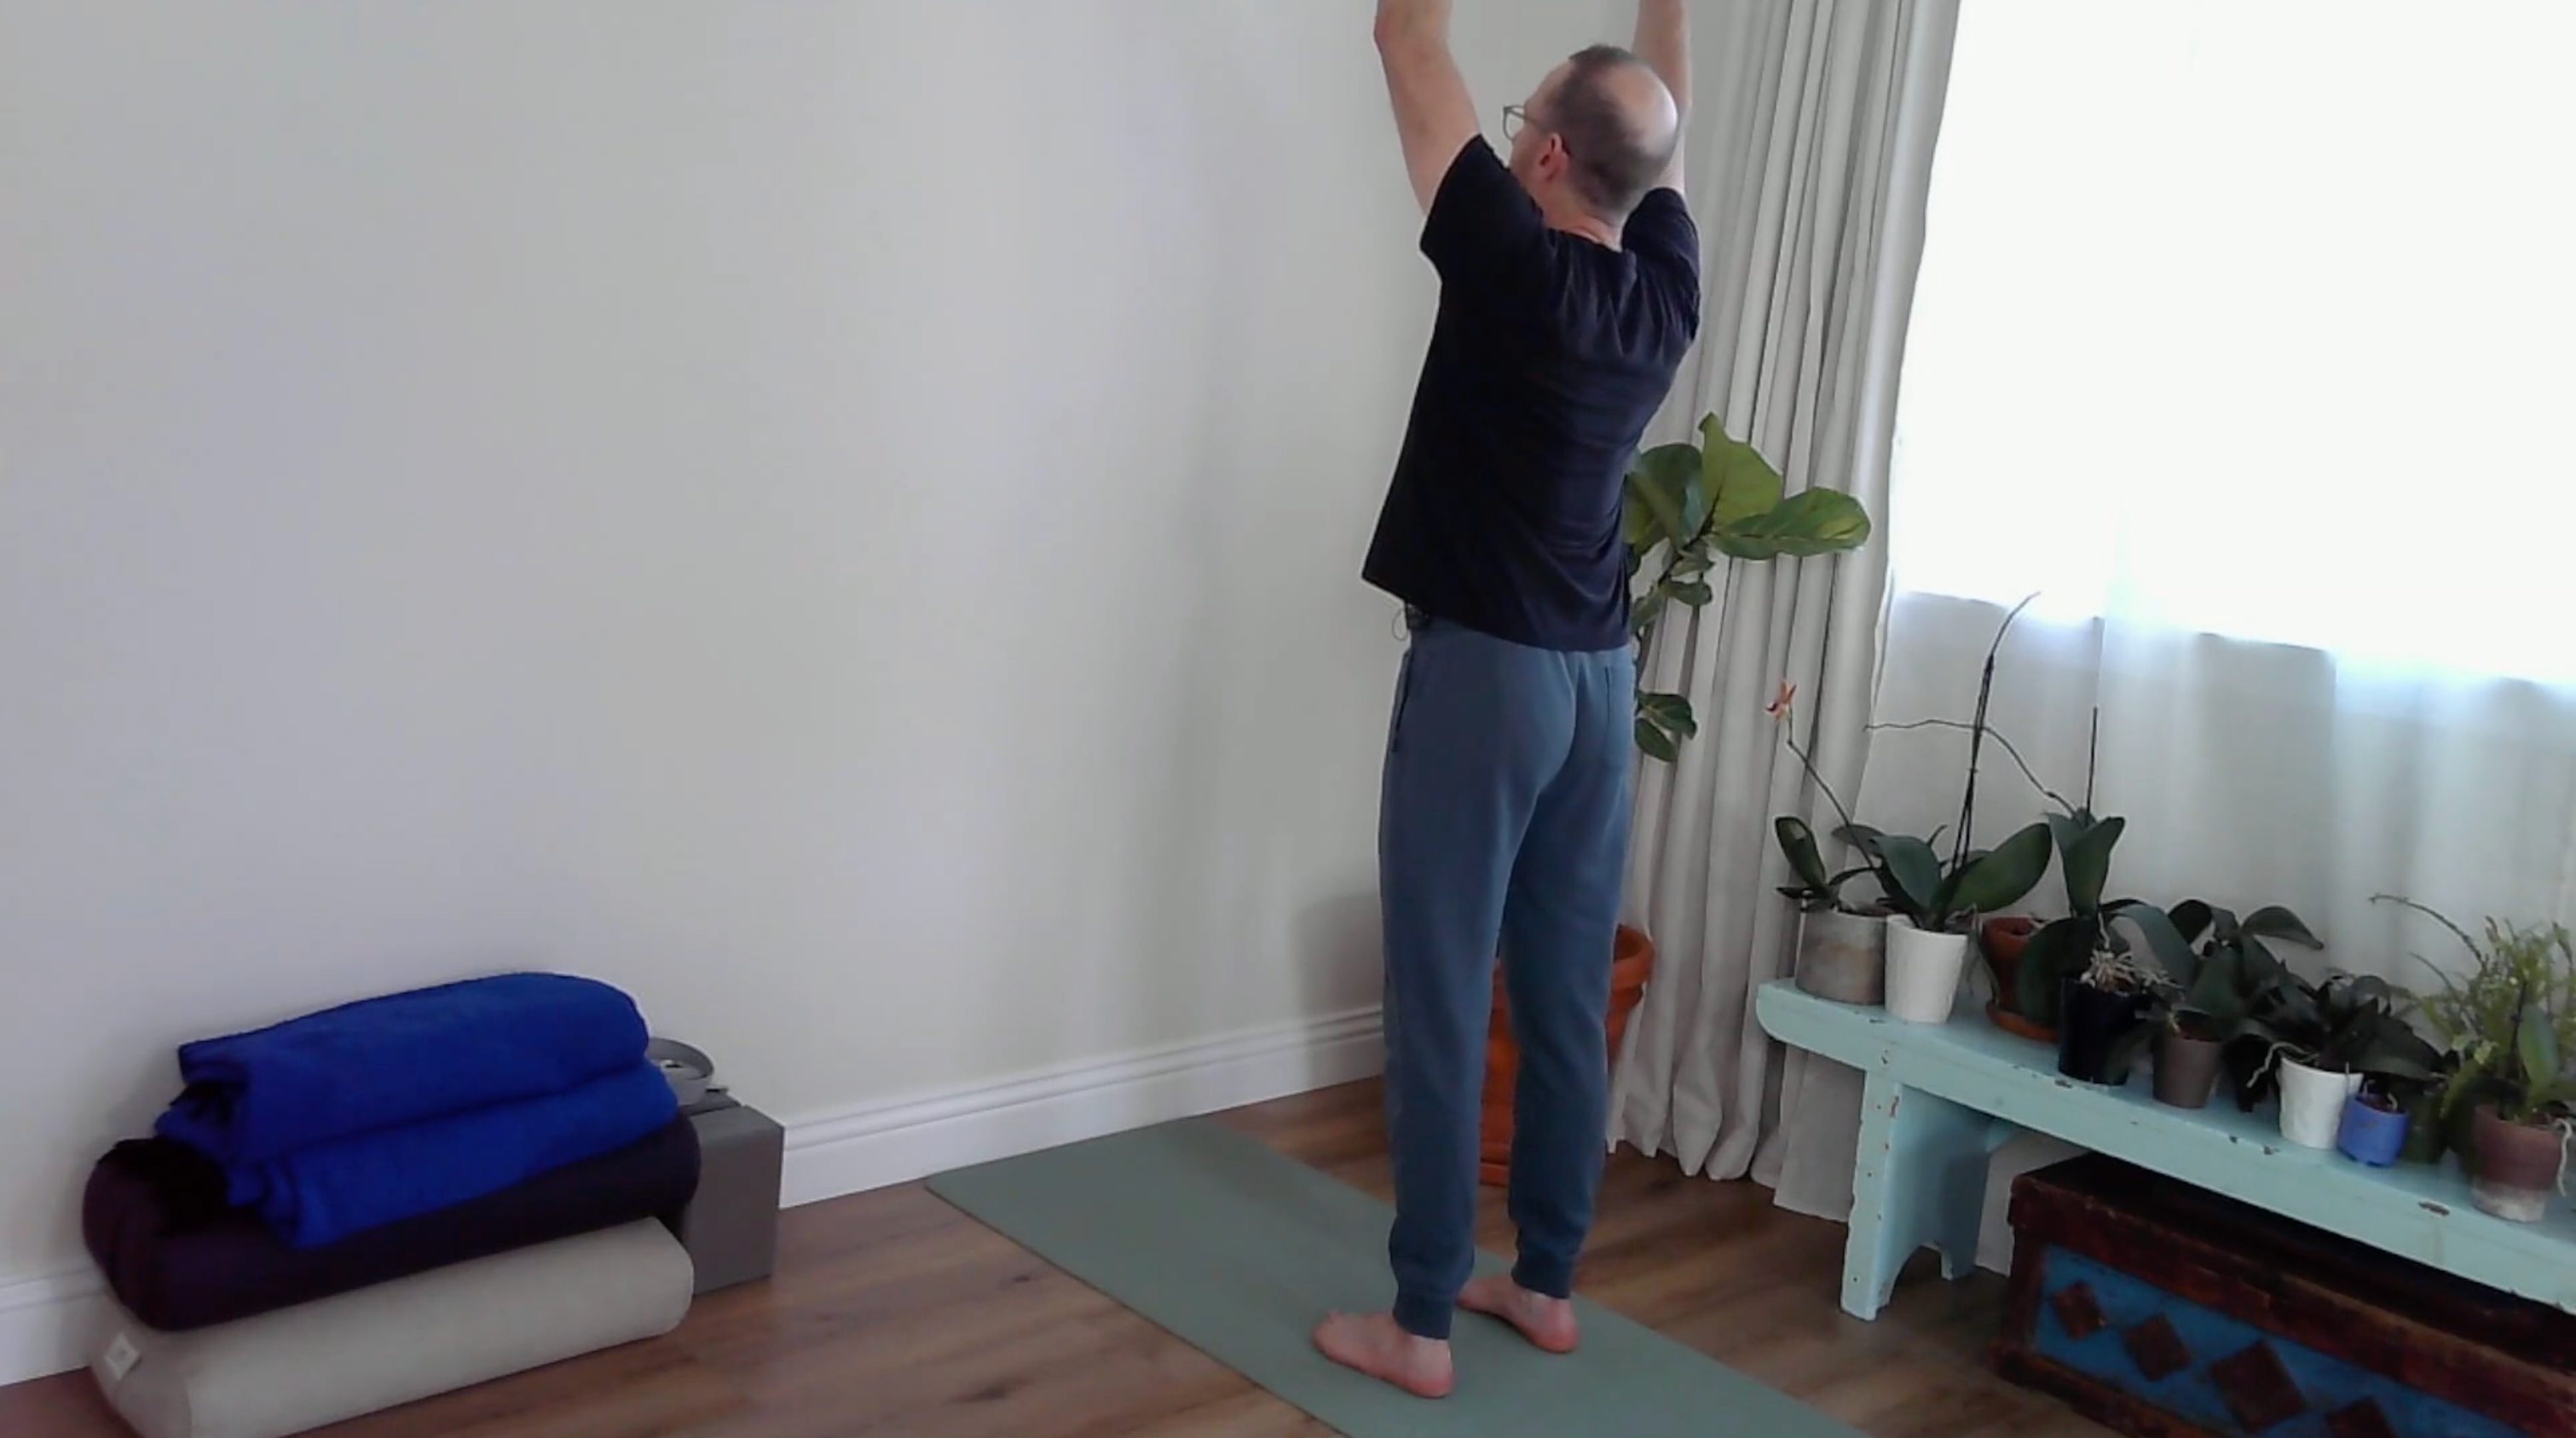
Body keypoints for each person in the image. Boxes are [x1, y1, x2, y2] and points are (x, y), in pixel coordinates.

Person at [1314, 0, 1700, 1401]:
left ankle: (1417, 1319)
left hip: (1487, 675)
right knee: (1555, 993)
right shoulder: (1663, 288)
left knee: (1435, 989)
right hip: (1599, 683)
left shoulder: (1506, 271)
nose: (1511, 129)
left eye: (1524, 117)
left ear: (1542, 158)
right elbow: (1660, 127)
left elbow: (1404, 37)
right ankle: (1541, 1284)